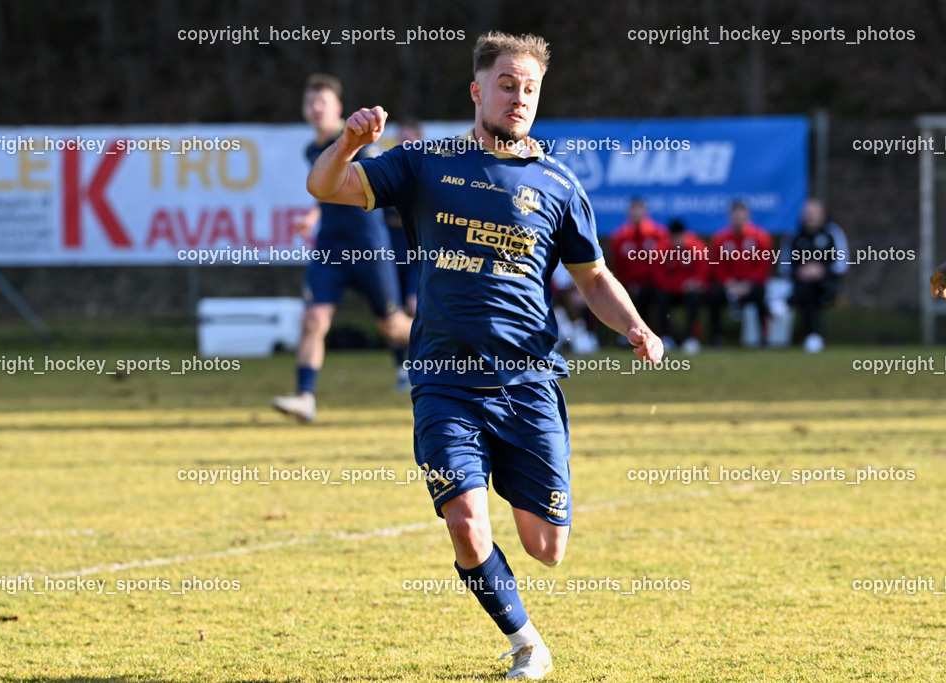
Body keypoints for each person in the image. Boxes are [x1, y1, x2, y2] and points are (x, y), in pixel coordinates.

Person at [304, 31, 664, 679]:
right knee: (466, 522)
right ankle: (527, 641)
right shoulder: (425, 162)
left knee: (546, 546)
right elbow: (325, 184)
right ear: (477, 91)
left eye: (529, 88)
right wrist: (352, 141)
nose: (519, 97)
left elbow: (592, 277)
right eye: (506, 84)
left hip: (528, 381)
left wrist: (635, 327)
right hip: (444, 379)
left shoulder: (558, 183)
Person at [272, 74, 412, 423]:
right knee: (314, 319)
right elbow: (330, 187)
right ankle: (305, 397)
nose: (315, 108)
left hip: (368, 248)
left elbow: (378, 182)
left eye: (322, 102)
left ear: (338, 108)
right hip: (329, 248)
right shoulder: (311, 150)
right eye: (310, 102)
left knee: (393, 327)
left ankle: (456, 340)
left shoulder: (361, 143)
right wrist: (314, 213)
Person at [779, 198, 848, 353]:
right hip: (802, 285)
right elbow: (784, 264)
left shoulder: (832, 233)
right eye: (807, 213)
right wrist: (801, 271)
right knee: (807, 290)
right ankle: (814, 337)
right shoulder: (794, 235)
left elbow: (842, 262)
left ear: (822, 215)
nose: (810, 216)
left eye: (813, 213)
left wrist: (821, 270)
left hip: (826, 286)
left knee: (811, 289)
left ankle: (787, 303)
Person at [384, 118, 423, 390]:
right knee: (392, 313)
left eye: (411, 139)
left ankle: (422, 362)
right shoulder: (386, 172)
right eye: (402, 139)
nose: (406, 144)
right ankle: (401, 368)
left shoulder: (429, 174)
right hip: (388, 257)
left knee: (415, 305)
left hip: (417, 255)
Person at [708, 200, 773, 347]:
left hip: (751, 285)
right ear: (729, 217)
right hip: (729, 285)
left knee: (760, 295)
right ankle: (716, 338)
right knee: (714, 296)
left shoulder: (760, 238)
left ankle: (764, 337)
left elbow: (763, 266)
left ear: (748, 216)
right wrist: (728, 283)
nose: (738, 220)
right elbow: (717, 266)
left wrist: (748, 284)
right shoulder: (720, 239)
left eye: (741, 216)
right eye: (735, 216)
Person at [608, 198, 670, 331]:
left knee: (662, 296)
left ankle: (663, 333)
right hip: (630, 284)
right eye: (633, 210)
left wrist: (655, 281)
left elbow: (661, 262)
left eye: (639, 209)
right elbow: (618, 265)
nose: (636, 213)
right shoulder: (620, 237)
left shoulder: (658, 234)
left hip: (654, 284)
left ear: (645, 212)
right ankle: (626, 333)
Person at [656, 219, 709, 354]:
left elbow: (703, 274)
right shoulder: (662, 249)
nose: (677, 241)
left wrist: (695, 284)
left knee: (694, 299)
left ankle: (692, 338)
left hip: (690, 292)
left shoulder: (697, 248)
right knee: (661, 299)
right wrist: (682, 285)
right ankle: (665, 337)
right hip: (672, 291)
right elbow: (659, 277)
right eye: (674, 237)